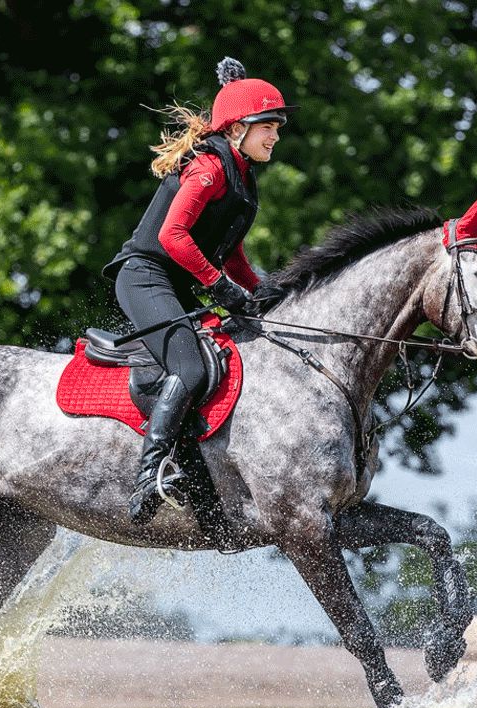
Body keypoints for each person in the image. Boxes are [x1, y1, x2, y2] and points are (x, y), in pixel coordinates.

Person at [102, 57, 296, 525]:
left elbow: (233, 256)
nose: (274, 135)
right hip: (146, 275)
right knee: (189, 366)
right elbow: (173, 237)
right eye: (265, 126)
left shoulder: (244, 179)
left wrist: (267, 295)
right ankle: (150, 474)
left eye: (276, 127)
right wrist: (219, 287)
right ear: (236, 131)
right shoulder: (209, 167)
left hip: (180, 285)